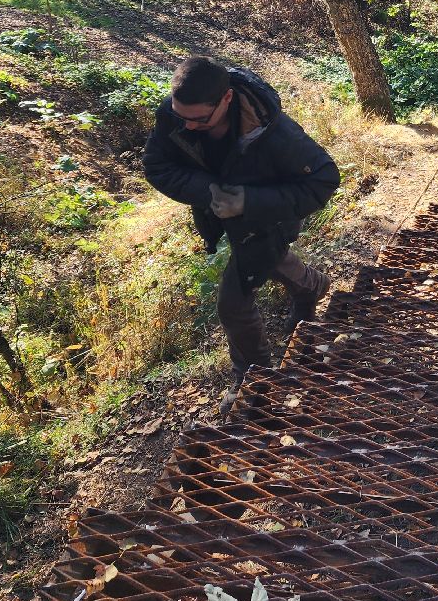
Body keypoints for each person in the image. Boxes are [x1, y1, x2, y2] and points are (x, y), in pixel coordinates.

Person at [143, 56, 339, 401]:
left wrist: (248, 201)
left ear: (227, 99)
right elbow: (158, 166)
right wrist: (210, 192)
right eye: (181, 117)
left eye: (199, 119)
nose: (187, 126)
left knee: (233, 303)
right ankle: (312, 287)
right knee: (268, 259)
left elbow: (324, 180)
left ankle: (255, 379)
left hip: (269, 218)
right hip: (222, 214)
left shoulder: (277, 134)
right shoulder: (177, 114)